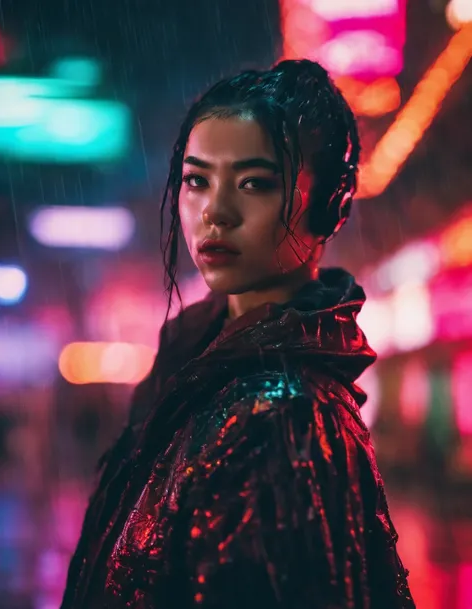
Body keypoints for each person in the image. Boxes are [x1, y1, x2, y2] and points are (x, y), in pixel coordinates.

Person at [60, 59, 415, 609]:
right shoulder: (195, 359)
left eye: (253, 183)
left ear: (332, 201)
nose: (215, 213)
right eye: (197, 180)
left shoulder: (280, 419)